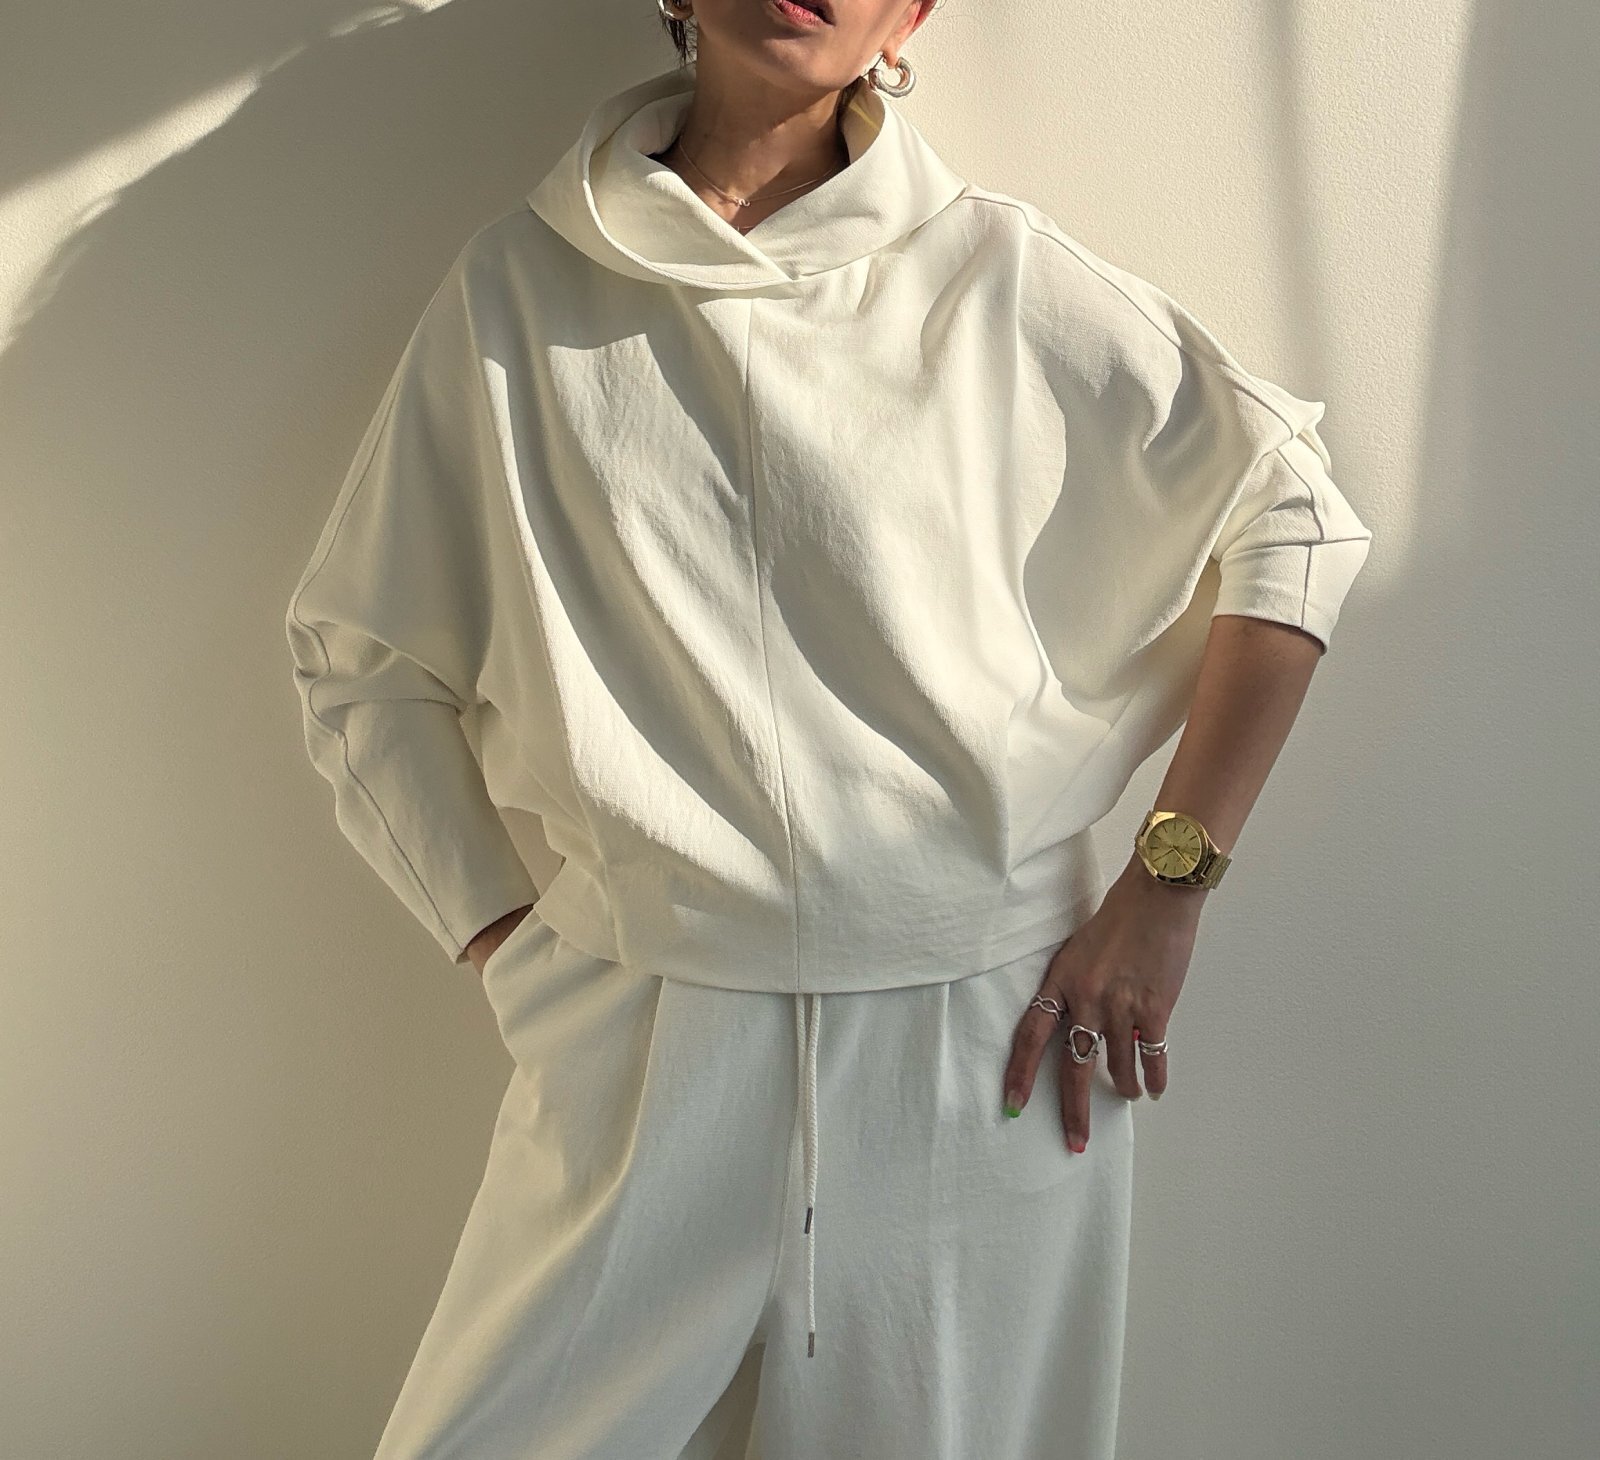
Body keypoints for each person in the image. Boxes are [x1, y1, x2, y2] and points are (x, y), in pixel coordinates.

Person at [284, 3, 1374, 1456]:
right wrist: (510, 944)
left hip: (980, 1048)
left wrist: (1167, 887)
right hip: (647, 1041)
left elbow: (1296, 517)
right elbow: (358, 654)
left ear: (911, 12)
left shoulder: (996, 276)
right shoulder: (519, 290)